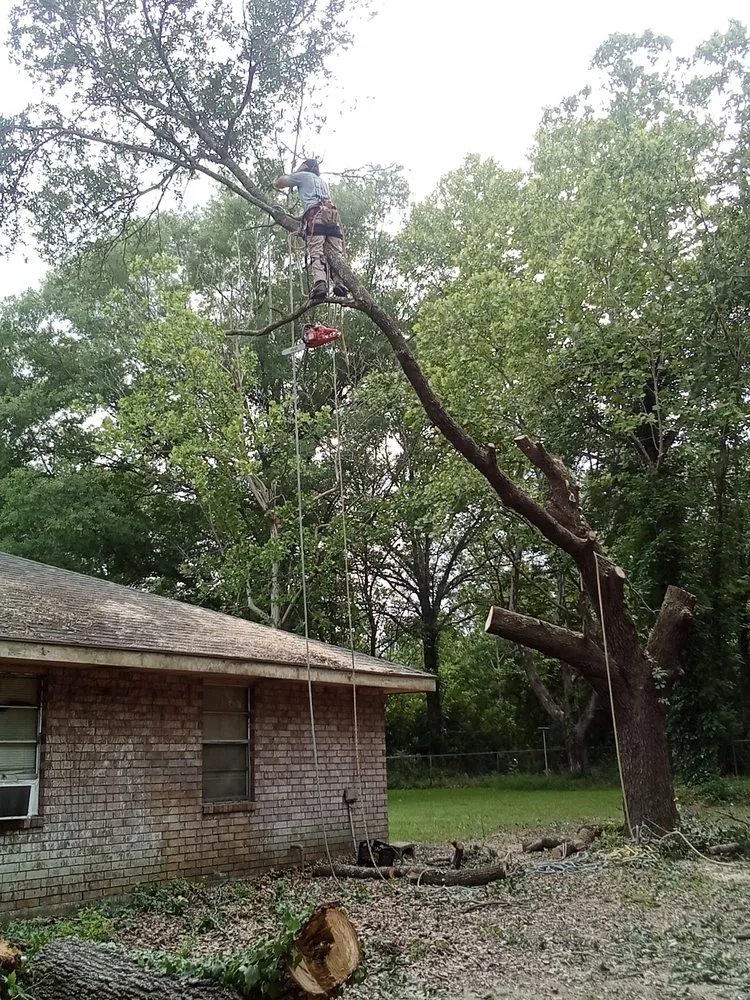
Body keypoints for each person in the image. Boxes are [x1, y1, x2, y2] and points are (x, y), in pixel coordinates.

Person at [274, 159, 348, 303]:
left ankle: (320, 284)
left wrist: (295, 172)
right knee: (336, 255)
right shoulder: (323, 183)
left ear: (306, 167)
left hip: (316, 219)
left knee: (316, 252)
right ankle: (339, 283)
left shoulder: (303, 176)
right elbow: (318, 203)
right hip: (332, 219)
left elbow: (280, 182)